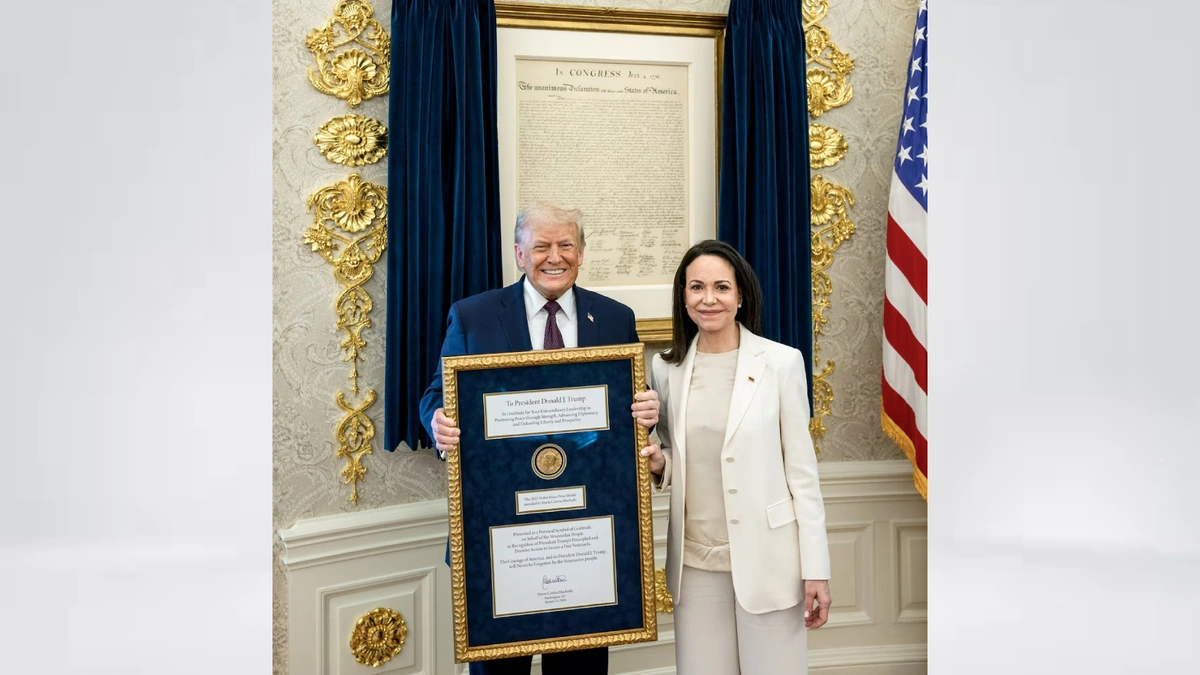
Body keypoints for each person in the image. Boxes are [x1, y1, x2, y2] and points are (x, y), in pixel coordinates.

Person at [419, 201, 662, 675]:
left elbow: (625, 410)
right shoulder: (474, 316)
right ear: (519, 253)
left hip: (587, 525)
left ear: (582, 252)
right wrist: (438, 421)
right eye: (542, 246)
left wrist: (647, 412)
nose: (556, 257)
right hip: (499, 525)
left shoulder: (614, 317)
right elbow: (436, 394)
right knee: (498, 668)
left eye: (566, 245)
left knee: (580, 666)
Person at [641, 239, 832, 674]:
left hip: (770, 561)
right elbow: (674, 450)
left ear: (741, 295)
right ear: (683, 296)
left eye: (721, 288)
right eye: (696, 288)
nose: (709, 299)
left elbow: (802, 475)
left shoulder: (781, 363)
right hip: (695, 564)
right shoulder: (666, 369)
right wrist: (659, 464)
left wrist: (816, 569)